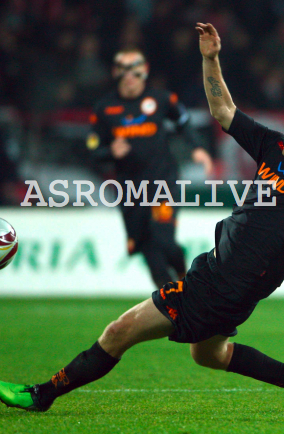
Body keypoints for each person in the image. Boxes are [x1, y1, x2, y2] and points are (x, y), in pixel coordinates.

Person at [0, 23, 284, 414]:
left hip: (225, 285)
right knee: (210, 355)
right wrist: (210, 59)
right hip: (222, 273)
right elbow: (223, 111)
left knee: (120, 330)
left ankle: (43, 394)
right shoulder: (273, 147)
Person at [86, 48, 213, 288]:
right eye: (124, 69)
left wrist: (197, 147)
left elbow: (183, 122)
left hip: (163, 183)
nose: (130, 75)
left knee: (163, 238)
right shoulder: (105, 108)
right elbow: (93, 151)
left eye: (135, 69)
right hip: (130, 190)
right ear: (115, 72)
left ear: (144, 70)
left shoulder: (161, 99)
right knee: (146, 247)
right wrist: (109, 152)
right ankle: (171, 299)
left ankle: (184, 276)